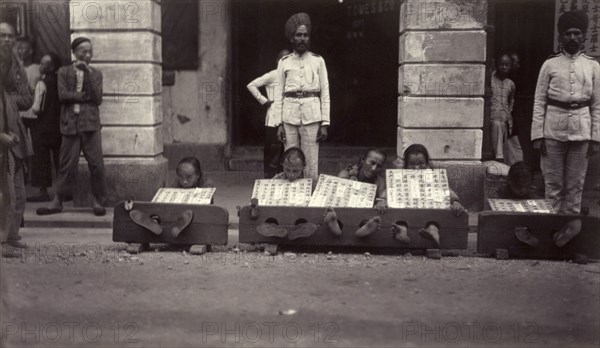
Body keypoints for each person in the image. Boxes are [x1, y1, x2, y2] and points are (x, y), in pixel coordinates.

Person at [531, 10, 599, 247]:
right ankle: (551, 233)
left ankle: (570, 237)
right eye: (568, 33)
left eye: (577, 33)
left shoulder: (592, 66)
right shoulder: (549, 65)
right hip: (553, 131)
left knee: (575, 185)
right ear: (560, 37)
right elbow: (539, 101)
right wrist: (537, 134)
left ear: (583, 37)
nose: (572, 37)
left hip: (582, 131)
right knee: (553, 184)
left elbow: (597, 105)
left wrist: (595, 138)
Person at [37, 37, 107, 216]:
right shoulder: (63, 72)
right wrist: (82, 96)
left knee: (97, 165)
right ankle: (57, 202)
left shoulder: (96, 74)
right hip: (70, 125)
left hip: (91, 125)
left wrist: (88, 76)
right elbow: (63, 95)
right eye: (83, 51)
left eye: (90, 51)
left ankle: (98, 201)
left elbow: (97, 98)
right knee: (66, 166)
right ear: (74, 53)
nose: (88, 54)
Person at [273, 12, 330, 181]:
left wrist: (325, 123)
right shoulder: (284, 62)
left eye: (305, 35)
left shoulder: (318, 61)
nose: (302, 39)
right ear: (292, 38)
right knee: (290, 159)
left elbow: (325, 92)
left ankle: (310, 196)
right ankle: (292, 197)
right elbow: (278, 93)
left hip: (312, 116)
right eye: (298, 35)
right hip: (289, 118)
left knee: (311, 160)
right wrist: (279, 124)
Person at [0, 22, 34, 252]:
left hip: (16, 138)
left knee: (19, 193)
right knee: (7, 194)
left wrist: (9, 97)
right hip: (3, 139)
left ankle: (11, 237)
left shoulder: (16, 67)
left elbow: (28, 99)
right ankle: (4, 241)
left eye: (10, 36)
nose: (6, 40)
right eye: (1, 36)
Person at [397, 144, 466, 246]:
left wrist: (455, 201)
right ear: (405, 165)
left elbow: (448, 191)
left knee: (433, 223)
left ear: (427, 164)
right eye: (412, 164)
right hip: (406, 215)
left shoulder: (434, 179)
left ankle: (433, 232)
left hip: (429, 214)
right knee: (401, 222)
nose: (417, 169)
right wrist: (383, 200)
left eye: (421, 164)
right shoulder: (399, 179)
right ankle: (402, 233)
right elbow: (389, 191)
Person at [129, 157, 214, 238]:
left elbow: (205, 210)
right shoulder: (176, 183)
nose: (184, 181)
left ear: (198, 175)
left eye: (189, 177)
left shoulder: (207, 184)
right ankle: (152, 223)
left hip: (196, 219)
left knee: (189, 215)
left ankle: (176, 226)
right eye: (181, 176)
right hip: (176, 217)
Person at [320, 149, 388, 238]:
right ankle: (334, 223)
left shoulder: (380, 181)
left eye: (378, 166)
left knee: (371, 217)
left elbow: (382, 197)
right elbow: (338, 192)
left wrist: (382, 201)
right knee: (337, 213)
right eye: (372, 163)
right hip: (343, 212)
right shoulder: (346, 173)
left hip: (365, 215)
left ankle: (365, 227)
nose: (374, 168)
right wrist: (351, 180)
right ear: (363, 160)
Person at [247, 49, 291, 178]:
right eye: (283, 59)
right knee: (273, 151)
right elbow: (251, 85)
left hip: (287, 119)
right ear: (277, 61)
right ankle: (269, 179)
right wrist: (264, 101)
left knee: (284, 151)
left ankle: (282, 177)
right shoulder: (273, 75)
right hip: (273, 119)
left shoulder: (292, 76)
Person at [26, 53, 63, 202]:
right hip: (58, 126)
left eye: (43, 64)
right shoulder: (60, 82)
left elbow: (36, 108)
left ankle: (43, 192)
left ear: (51, 67)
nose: (40, 67)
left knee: (41, 160)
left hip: (42, 127)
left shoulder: (42, 83)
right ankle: (63, 193)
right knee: (59, 159)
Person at [489, 52, 516, 163]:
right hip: (491, 118)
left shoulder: (510, 84)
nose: (504, 67)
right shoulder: (490, 80)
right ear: (496, 65)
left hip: (504, 120)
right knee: (496, 124)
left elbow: (511, 100)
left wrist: (508, 114)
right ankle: (498, 157)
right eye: (501, 64)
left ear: (510, 66)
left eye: (507, 64)